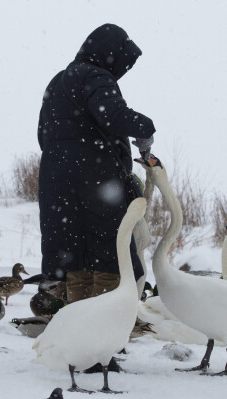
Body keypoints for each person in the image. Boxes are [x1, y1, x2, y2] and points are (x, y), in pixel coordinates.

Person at [37, 24, 156, 304]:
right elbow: (115, 116)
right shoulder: (95, 76)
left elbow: (43, 134)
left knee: (75, 260)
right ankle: (105, 334)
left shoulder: (58, 81)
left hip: (58, 186)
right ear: (110, 54)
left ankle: (80, 329)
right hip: (95, 183)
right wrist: (145, 129)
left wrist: (65, 163)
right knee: (109, 257)